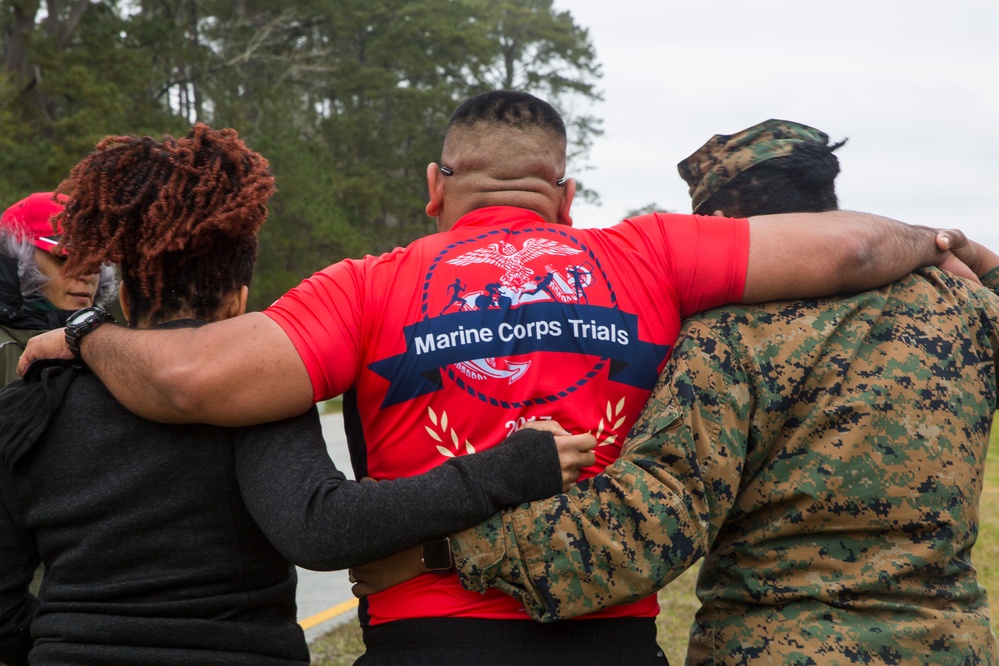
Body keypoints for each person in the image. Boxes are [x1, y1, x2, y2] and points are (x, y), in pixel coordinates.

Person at [17, 94, 969, 665]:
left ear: (435, 187)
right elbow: (847, 245)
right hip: (606, 630)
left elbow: (187, 381)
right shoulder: (647, 254)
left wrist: (87, 332)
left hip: (426, 636)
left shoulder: (365, 284)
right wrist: (942, 242)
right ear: (564, 194)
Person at [379, 119, 999, 663]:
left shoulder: (728, 333)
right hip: (950, 642)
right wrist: (978, 258)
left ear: (723, 229)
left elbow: (652, 522)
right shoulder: (963, 307)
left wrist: (443, 553)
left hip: (776, 645)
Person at [0, 124, 595, 665]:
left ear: (125, 300)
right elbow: (321, 528)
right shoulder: (253, 398)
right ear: (239, 301)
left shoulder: (30, 405)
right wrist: (508, 471)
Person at [0, 192, 115, 385]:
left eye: (95, 263)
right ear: (15, 261)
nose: (88, 275)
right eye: (66, 258)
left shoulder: (112, 350)